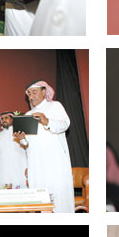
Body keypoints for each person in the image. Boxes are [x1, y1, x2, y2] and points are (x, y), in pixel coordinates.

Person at [14, 80, 75, 212]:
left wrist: (46, 121)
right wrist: (22, 139)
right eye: (29, 94)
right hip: (36, 165)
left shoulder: (55, 106)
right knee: (41, 200)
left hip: (55, 163)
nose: (31, 96)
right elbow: (27, 144)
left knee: (59, 199)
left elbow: (65, 124)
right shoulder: (28, 115)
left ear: (43, 92)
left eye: (34, 92)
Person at [0, 112, 27, 186]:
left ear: (12, 119)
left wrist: (28, 167)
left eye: (6, 118)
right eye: (2, 119)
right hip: (4, 170)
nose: (4, 120)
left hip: (20, 168)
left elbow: (27, 148)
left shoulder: (20, 133)